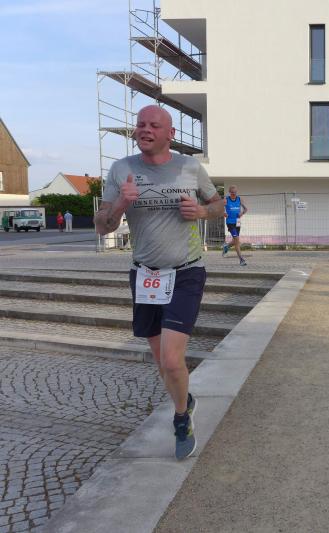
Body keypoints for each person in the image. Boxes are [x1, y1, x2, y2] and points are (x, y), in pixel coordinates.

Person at [94, 105, 225, 459]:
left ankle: (181, 418)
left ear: (170, 134)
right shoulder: (121, 169)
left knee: (170, 359)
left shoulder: (189, 167)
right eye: (140, 124)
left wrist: (202, 211)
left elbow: (218, 205)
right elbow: (102, 226)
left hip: (186, 272)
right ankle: (186, 398)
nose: (145, 129)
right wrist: (120, 204)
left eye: (154, 125)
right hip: (145, 275)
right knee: (160, 360)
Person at [222, 185, 248, 266]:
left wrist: (242, 213)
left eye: (235, 192)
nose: (234, 194)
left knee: (235, 240)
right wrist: (223, 213)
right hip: (230, 222)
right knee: (237, 240)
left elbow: (246, 209)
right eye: (232, 192)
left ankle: (226, 247)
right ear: (229, 192)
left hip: (238, 222)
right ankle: (241, 259)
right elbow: (219, 209)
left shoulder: (239, 199)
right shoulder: (226, 200)